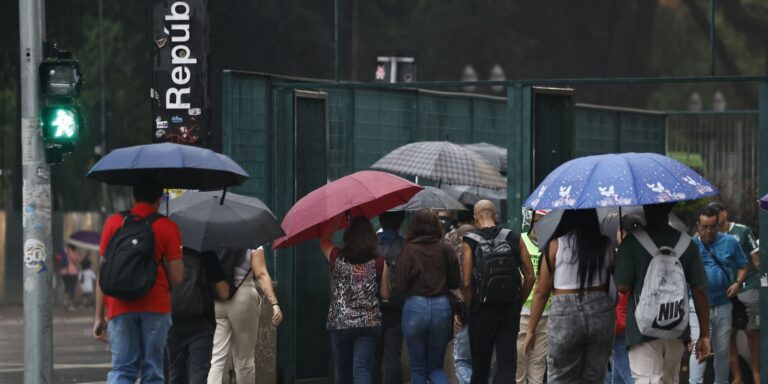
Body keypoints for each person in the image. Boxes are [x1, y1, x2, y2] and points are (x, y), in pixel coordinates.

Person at [93, 176, 185, 384]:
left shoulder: (114, 222)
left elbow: (103, 272)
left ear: (133, 197)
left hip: (119, 306)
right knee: (153, 370)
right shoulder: (168, 226)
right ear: (159, 200)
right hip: (156, 305)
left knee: (122, 369)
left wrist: (99, 316)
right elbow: (177, 276)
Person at [614, 203, 712, 384]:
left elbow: (622, 286)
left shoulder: (632, 242)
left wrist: (620, 258)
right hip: (676, 328)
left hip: (642, 331)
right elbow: (699, 290)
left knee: (647, 379)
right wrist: (704, 335)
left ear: (645, 209)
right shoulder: (687, 244)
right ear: (670, 209)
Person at [522, 208, 614, 383]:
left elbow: (541, 292)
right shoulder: (605, 245)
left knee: (562, 377)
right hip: (601, 312)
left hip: (566, 314)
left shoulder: (556, 245)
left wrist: (531, 330)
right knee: (594, 377)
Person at [463, 200, 534, 384]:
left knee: (480, 366)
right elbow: (530, 276)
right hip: (509, 310)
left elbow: (467, 282)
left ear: (475, 218)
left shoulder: (470, 241)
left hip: (481, 311)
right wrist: (518, 302)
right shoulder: (515, 238)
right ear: (496, 216)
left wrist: (471, 307)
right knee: (507, 364)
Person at [320, 214, 392, 384]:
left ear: (348, 236)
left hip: (341, 323)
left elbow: (324, 240)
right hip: (368, 323)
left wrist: (337, 216)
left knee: (342, 371)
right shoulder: (379, 262)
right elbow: (386, 294)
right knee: (361, 369)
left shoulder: (336, 257)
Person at [397, 209, 460, 384]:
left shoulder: (408, 250)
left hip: (415, 307)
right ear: (436, 227)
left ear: (413, 227)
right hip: (442, 307)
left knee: (418, 368)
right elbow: (455, 282)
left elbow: (400, 285)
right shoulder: (446, 249)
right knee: (436, 368)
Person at [688, 205, 747, 384]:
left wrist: (737, 283)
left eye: (712, 227)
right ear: (698, 225)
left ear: (718, 224)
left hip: (723, 304)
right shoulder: (691, 245)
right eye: (704, 227)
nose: (708, 231)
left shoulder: (730, 241)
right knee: (698, 348)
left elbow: (743, 265)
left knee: (722, 351)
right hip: (697, 306)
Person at [207, 247, 283, 384]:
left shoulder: (215, 240)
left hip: (217, 296)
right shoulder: (252, 242)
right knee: (244, 360)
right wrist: (274, 303)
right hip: (243, 295)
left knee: (217, 360)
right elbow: (261, 274)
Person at [707, 201, 761, 384]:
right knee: (727, 335)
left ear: (725, 213)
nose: (716, 216)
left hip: (747, 286)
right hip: (725, 291)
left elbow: (756, 259)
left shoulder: (742, 231)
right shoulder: (710, 236)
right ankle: (737, 377)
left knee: (752, 331)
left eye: (718, 212)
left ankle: (756, 372)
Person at [167, 249, 229, 384]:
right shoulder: (206, 253)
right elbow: (223, 292)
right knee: (199, 373)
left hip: (171, 322)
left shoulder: (164, 252)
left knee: (175, 374)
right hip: (201, 323)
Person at [606, 212, 643, 384]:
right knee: (618, 374)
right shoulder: (646, 254)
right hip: (640, 320)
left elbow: (620, 290)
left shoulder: (620, 256)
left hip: (621, 323)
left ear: (621, 232)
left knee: (629, 375)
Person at [516, 209, 551, 384]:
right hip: (524, 311)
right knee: (519, 365)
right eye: (537, 221)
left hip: (546, 312)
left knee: (538, 365)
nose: (540, 225)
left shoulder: (553, 243)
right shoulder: (520, 241)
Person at [373, 211, 406, 384]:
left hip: (372, 306)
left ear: (380, 221)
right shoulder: (405, 245)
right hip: (396, 307)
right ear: (401, 222)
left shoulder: (371, 245)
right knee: (392, 353)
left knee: (374, 354)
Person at [443, 209, 476, 384]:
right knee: (482, 360)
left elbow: (457, 285)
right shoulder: (482, 250)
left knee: (462, 360)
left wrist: (458, 310)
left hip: (464, 314)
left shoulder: (453, 253)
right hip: (485, 311)